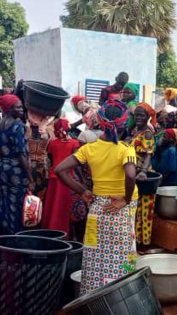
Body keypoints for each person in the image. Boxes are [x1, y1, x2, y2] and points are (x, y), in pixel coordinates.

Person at [55, 100, 137, 293]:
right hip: (120, 207)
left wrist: (83, 190)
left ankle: (92, 297)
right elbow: (131, 175)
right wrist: (125, 199)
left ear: (101, 122)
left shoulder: (89, 149)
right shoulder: (126, 150)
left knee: (94, 255)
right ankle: (120, 296)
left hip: (97, 207)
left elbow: (60, 170)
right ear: (123, 125)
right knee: (121, 255)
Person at [0, 94, 31, 236]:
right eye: (18, 107)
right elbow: (22, 154)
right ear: (10, 108)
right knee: (17, 207)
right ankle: (13, 243)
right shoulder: (18, 126)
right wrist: (31, 178)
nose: (22, 109)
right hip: (17, 171)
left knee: (4, 204)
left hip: (2, 169)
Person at [42, 118, 81, 235]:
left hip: (54, 177)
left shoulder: (52, 143)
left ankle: (49, 230)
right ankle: (62, 232)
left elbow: (50, 158)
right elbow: (77, 164)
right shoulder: (74, 143)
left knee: (52, 205)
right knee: (63, 206)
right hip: (67, 178)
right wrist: (82, 180)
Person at [129, 102, 157, 246]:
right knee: (135, 208)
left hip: (142, 174)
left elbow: (148, 154)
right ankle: (136, 239)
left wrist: (144, 172)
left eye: (141, 115)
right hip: (133, 173)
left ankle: (143, 243)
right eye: (136, 115)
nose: (138, 117)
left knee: (145, 210)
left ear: (148, 117)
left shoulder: (147, 133)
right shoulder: (134, 130)